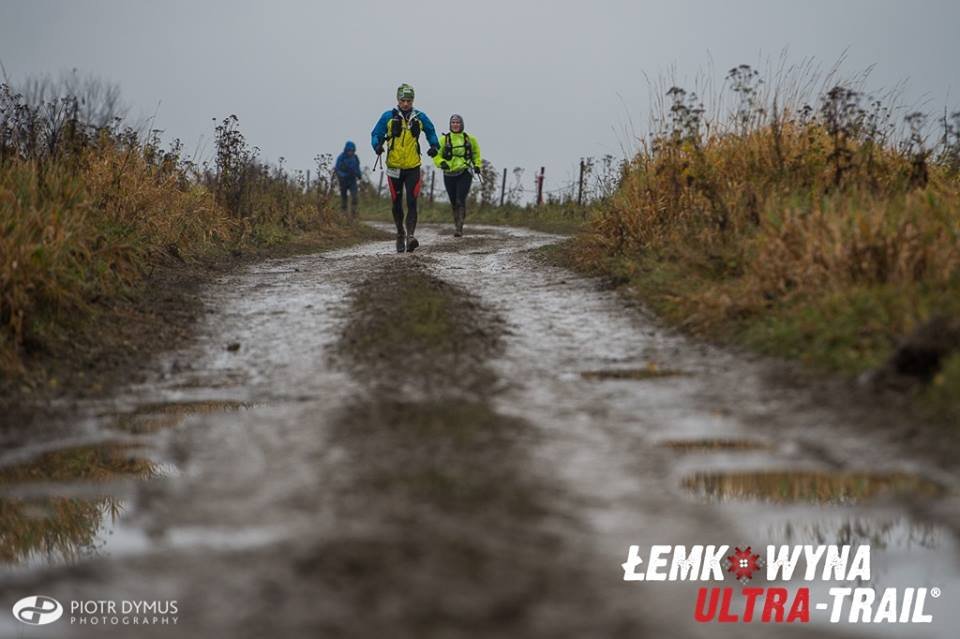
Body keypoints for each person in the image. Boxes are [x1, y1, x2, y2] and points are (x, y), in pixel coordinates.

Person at [370, 84, 439, 252]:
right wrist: (377, 146)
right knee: (396, 203)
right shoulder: (388, 116)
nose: (406, 104)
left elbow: (431, 132)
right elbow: (376, 134)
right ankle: (400, 233)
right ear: (398, 100)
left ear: (413, 100)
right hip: (393, 167)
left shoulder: (420, 116)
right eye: (403, 100)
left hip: (413, 167)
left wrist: (434, 146)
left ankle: (410, 237)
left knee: (412, 202)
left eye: (409, 100)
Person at [433, 114, 481, 237]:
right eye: (453, 123)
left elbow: (476, 153)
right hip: (448, 172)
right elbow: (436, 154)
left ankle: (459, 228)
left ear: (462, 124)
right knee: (454, 201)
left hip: (465, 171)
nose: (455, 125)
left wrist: (477, 165)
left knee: (460, 200)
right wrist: (441, 163)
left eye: (458, 123)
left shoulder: (470, 139)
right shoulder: (443, 139)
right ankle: (456, 223)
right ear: (450, 125)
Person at [334, 140, 362, 219]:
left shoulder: (355, 158)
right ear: (346, 150)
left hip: (352, 180)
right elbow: (337, 168)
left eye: (352, 150)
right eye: (349, 150)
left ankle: (354, 214)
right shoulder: (341, 158)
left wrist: (359, 175)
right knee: (344, 198)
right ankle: (344, 214)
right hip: (343, 180)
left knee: (354, 197)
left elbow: (357, 167)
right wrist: (342, 175)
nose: (350, 152)